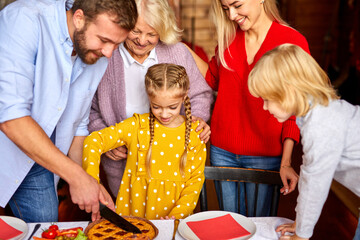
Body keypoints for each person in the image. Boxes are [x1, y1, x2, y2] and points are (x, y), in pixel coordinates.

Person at [0, 0, 137, 222]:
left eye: (116, 44)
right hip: (6, 147)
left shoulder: (97, 51)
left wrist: (90, 181)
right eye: (104, 40)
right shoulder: (23, 20)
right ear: (79, 18)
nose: (110, 53)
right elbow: (11, 118)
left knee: (45, 229)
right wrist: (76, 176)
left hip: (40, 160)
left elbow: (78, 125)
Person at [187, 0, 310, 216]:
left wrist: (286, 161)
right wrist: (183, 50)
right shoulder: (229, 36)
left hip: (266, 153)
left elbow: (296, 108)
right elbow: (215, 79)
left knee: (258, 228)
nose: (232, 15)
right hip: (222, 151)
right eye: (226, 9)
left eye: (237, 5)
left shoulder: (292, 41)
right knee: (230, 225)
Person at [88, 0, 213, 199]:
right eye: (135, 31)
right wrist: (106, 139)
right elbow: (89, 109)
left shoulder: (177, 52)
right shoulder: (105, 56)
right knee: (130, 221)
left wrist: (195, 120)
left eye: (152, 34)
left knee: (169, 219)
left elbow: (200, 94)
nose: (142, 40)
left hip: (172, 164)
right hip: (123, 164)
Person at [248, 43, 360, 240]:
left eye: (267, 99)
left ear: (289, 91)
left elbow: (314, 184)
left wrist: (301, 235)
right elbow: (310, 177)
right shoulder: (315, 114)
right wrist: (300, 224)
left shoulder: (322, 124)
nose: (265, 107)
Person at [83, 63, 207, 219]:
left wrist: (177, 215)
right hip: (133, 222)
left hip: (174, 222)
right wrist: (93, 182)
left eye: (172, 107)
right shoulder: (137, 126)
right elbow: (93, 141)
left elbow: (195, 182)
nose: (164, 114)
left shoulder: (195, 134)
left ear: (184, 96)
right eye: (156, 106)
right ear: (149, 97)